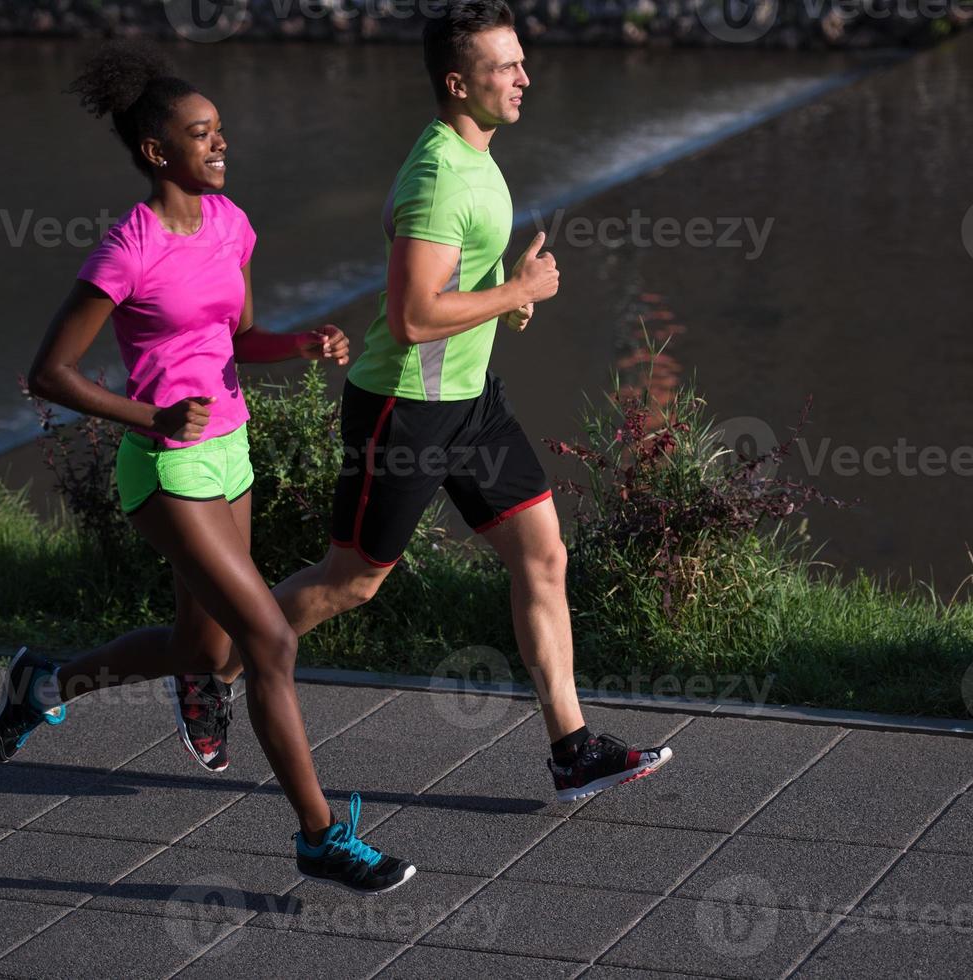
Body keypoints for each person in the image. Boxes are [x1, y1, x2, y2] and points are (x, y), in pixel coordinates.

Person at [181, 0, 674, 803]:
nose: (525, 76)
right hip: (403, 410)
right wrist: (515, 287)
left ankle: (571, 747)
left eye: (522, 60)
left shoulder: (478, 153)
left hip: (471, 402)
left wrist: (501, 297)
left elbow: (449, 291)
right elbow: (410, 319)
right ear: (458, 82)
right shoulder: (442, 174)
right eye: (505, 66)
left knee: (544, 556)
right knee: (352, 582)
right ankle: (213, 669)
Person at [0, 41, 415, 894]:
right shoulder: (129, 247)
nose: (221, 146)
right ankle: (319, 835)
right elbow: (50, 373)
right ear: (157, 153)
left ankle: (48, 679)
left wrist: (300, 343)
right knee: (267, 641)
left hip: (231, 450)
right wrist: (151, 416)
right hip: (166, 466)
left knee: (199, 644)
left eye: (221, 131)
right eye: (202, 134)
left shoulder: (231, 222)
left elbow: (235, 336)